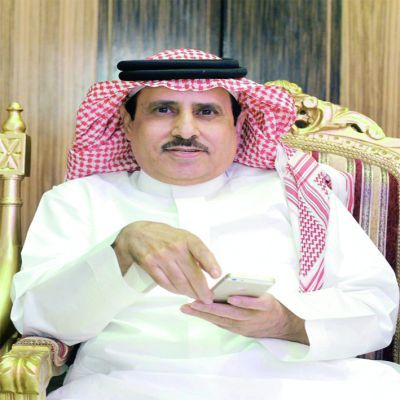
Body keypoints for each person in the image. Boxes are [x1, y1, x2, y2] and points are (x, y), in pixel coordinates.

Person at [10, 49, 400, 399]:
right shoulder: (78, 200)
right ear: (127, 124)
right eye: (163, 110)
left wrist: (288, 323)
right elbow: (39, 319)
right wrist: (121, 251)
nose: (185, 130)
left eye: (206, 112)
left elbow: (375, 306)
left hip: (299, 384)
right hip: (128, 384)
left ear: (238, 124)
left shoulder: (298, 194)